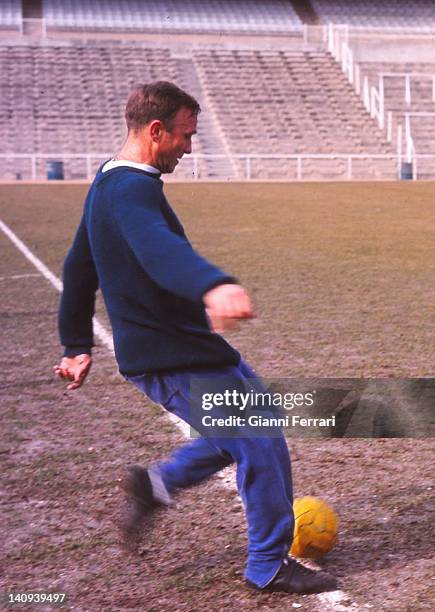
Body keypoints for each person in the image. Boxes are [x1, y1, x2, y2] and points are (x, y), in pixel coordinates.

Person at [54, 81, 337, 595]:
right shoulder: (128, 190)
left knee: (258, 422)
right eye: (185, 135)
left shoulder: (109, 181)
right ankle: (267, 566)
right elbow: (159, 251)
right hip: (167, 353)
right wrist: (213, 285)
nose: (190, 146)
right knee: (259, 441)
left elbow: (79, 264)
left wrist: (76, 342)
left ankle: (156, 484)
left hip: (182, 343)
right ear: (156, 130)